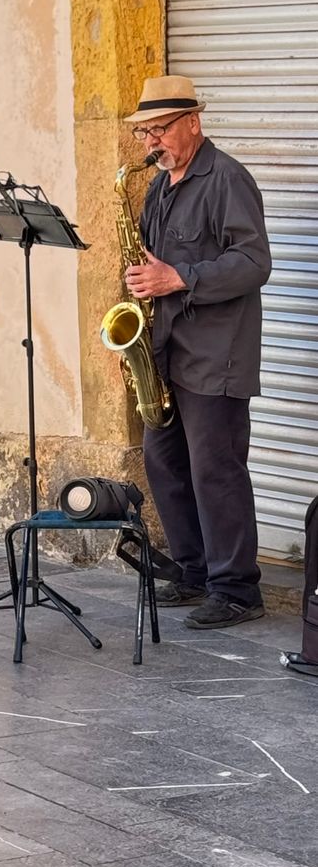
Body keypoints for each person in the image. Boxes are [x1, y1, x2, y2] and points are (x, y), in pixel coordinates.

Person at [123, 74, 272, 629]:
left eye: (159, 129)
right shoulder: (159, 188)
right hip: (164, 352)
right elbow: (146, 270)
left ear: (193, 122)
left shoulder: (227, 178)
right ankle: (192, 571)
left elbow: (255, 262)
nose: (151, 142)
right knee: (165, 464)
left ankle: (236, 589)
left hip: (217, 354)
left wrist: (179, 278)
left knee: (217, 471)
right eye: (144, 133)